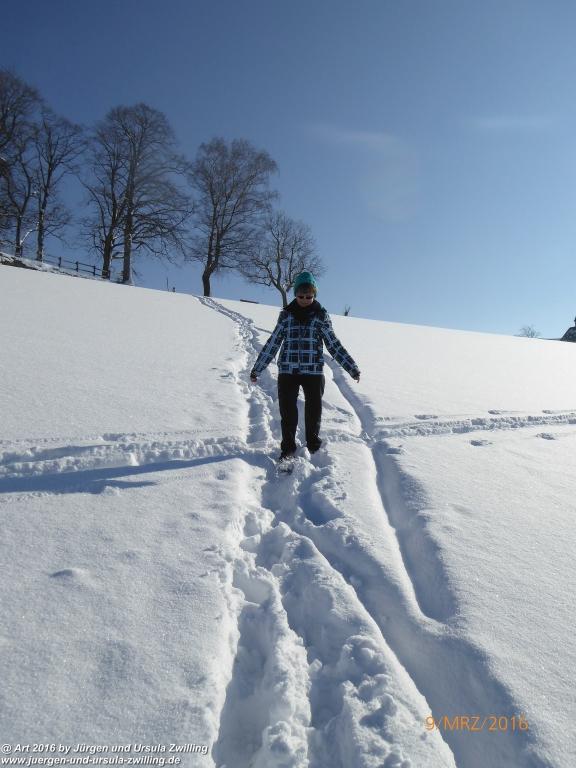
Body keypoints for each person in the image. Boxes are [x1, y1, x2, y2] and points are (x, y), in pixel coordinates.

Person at [250, 271, 361, 461]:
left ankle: (313, 444)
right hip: (288, 371)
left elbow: (333, 344)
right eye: (300, 296)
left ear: (314, 295)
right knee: (288, 412)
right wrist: (257, 368)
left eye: (309, 296)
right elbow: (274, 342)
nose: (304, 300)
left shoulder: (321, 316)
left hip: (313, 372)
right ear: (295, 294)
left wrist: (351, 368)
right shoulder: (286, 316)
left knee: (314, 411)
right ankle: (288, 448)